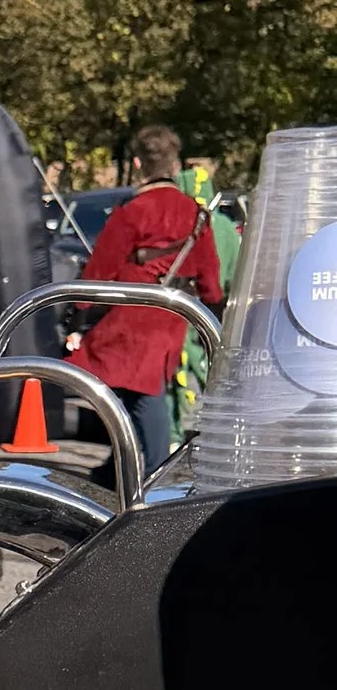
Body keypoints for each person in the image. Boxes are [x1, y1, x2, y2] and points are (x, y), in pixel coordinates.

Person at [76, 125, 225, 477]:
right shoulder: (196, 215)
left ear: (139, 163)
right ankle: (119, 466)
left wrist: (78, 309)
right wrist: (213, 309)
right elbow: (211, 280)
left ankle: (155, 471)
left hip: (130, 312)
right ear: (175, 167)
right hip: (172, 312)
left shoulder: (132, 212)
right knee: (136, 387)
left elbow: (101, 268)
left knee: (140, 393)